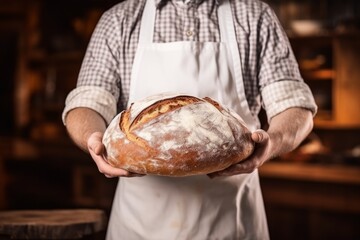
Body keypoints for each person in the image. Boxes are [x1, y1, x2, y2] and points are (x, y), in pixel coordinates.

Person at [62, 0, 317, 239]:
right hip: (139, 227)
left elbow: (294, 105)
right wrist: (92, 139)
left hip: (232, 224)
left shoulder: (253, 15)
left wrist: (273, 141)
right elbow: (87, 102)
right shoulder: (119, 20)